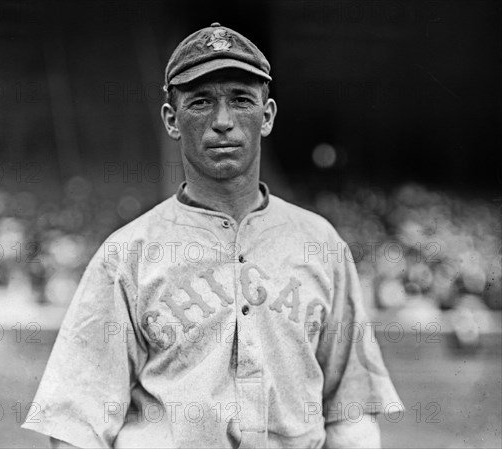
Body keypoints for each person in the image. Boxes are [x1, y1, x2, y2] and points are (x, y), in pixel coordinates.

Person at [22, 22, 403, 448]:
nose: (222, 121)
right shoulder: (127, 254)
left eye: (241, 100)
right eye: (200, 102)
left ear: (268, 115)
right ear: (171, 119)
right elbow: (77, 425)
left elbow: (350, 414)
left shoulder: (320, 242)